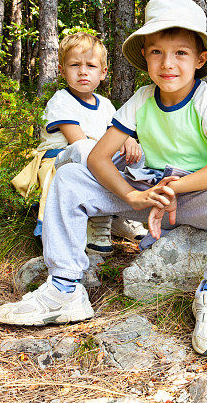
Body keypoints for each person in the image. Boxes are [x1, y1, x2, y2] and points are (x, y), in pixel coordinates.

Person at [0, 0, 207, 357]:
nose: (167, 63)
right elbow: (97, 157)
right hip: (146, 197)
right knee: (69, 177)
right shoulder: (142, 98)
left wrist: (172, 190)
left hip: (194, 196)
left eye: (181, 53)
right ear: (145, 55)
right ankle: (65, 289)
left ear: (200, 59)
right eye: (157, 51)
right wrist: (132, 197)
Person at [11, 33, 141, 255]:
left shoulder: (107, 105)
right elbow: (78, 141)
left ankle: (121, 214)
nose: (83, 71)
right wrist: (114, 143)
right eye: (74, 65)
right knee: (87, 150)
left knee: (136, 152)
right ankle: (99, 221)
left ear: (103, 73)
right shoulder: (61, 101)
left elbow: (116, 136)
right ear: (62, 70)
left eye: (91, 65)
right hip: (61, 160)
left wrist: (128, 140)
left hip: (96, 158)